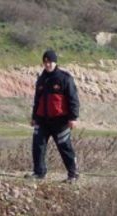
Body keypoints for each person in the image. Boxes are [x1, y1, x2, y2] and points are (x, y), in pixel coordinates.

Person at [30, 50, 79, 183]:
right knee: (38, 145)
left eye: (50, 62)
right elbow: (37, 100)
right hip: (42, 119)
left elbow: (73, 99)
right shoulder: (41, 79)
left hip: (60, 120)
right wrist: (34, 116)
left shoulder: (65, 78)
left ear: (55, 62)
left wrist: (73, 118)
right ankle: (39, 172)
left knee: (65, 147)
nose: (47, 65)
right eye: (45, 62)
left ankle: (73, 174)